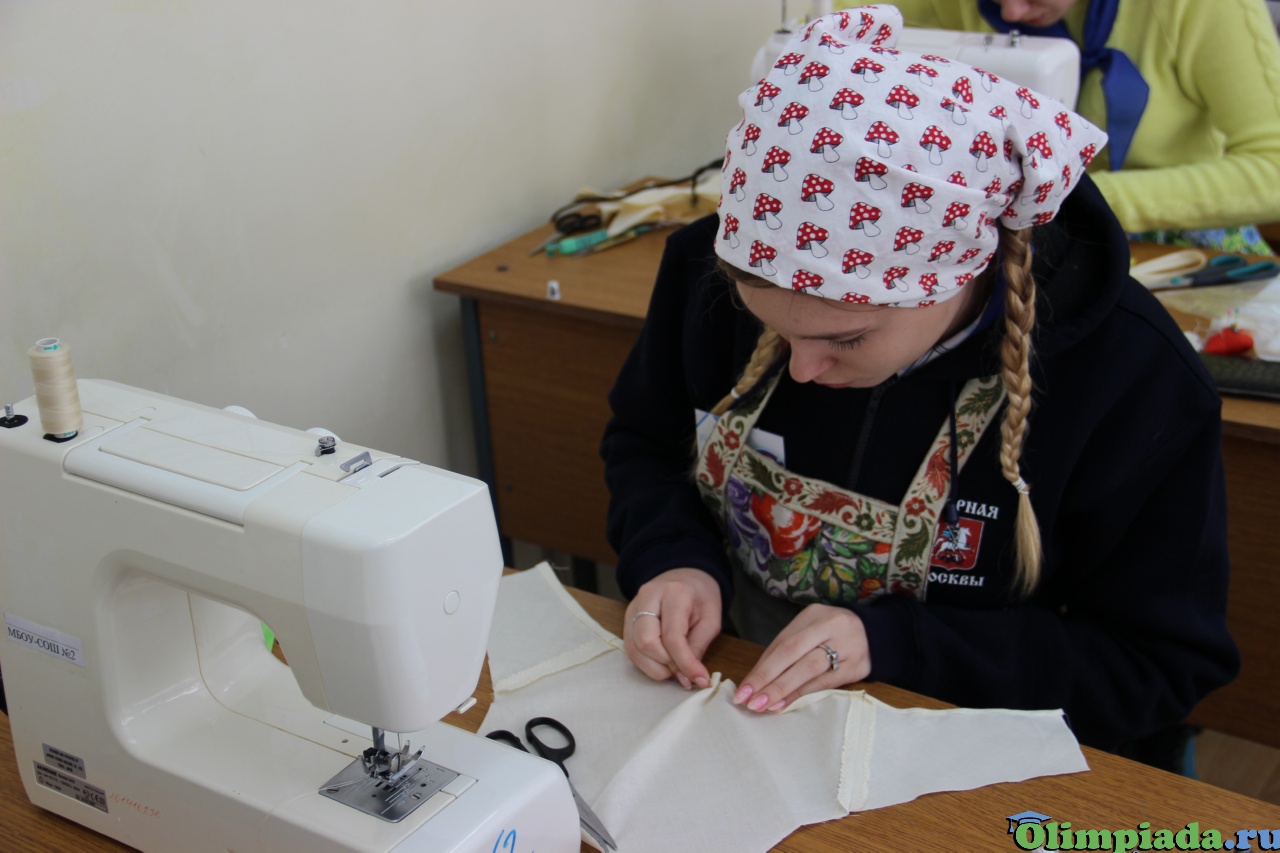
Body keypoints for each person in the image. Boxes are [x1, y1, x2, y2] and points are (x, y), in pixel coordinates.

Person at [600, 5, 1238, 771]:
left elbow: (1157, 663)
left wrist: (898, 643)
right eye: (769, 323)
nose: (800, 370)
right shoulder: (710, 266)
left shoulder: (1133, 376)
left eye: (846, 340)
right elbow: (646, 442)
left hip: (983, 758)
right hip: (746, 714)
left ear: (966, 271)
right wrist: (672, 557)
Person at [832, 0, 1280, 253]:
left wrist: (1077, 200)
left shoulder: (1204, 8)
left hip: (1180, 247)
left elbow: (1273, 169)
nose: (1011, 11)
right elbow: (838, 50)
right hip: (1011, 233)